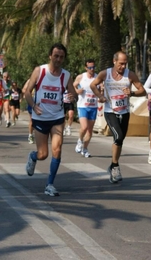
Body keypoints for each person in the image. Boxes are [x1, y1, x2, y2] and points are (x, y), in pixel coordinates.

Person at [24, 43, 77, 197]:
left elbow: (73, 93)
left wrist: (73, 96)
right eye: (56, 56)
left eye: (61, 57)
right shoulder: (40, 71)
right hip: (40, 117)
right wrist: (33, 106)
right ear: (50, 56)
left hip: (57, 118)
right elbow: (27, 92)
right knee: (43, 154)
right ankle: (33, 157)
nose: (58, 59)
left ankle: (50, 184)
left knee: (57, 149)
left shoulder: (66, 75)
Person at [90, 51, 146, 183]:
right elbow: (93, 85)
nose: (123, 66)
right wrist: (100, 96)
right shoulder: (105, 73)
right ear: (114, 61)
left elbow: (142, 90)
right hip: (110, 111)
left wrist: (131, 93)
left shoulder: (130, 75)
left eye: (125, 64)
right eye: (121, 64)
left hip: (124, 111)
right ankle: (115, 166)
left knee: (119, 140)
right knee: (118, 136)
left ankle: (113, 165)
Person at [74, 59, 99, 157]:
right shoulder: (81, 77)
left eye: (93, 67)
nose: (92, 69)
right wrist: (77, 90)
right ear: (86, 68)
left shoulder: (97, 77)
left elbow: (101, 88)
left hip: (93, 106)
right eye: (90, 67)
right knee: (84, 127)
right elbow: (73, 86)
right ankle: (80, 141)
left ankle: (85, 149)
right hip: (82, 106)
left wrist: (101, 93)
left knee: (89, 130)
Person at [22, 79, 35, 144]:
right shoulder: (30, 80)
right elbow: (24, 89)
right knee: (32, 120)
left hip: (42, 103)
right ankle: (30, 135)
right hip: (32, 102)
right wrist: (29, 93)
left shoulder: (46, 79)